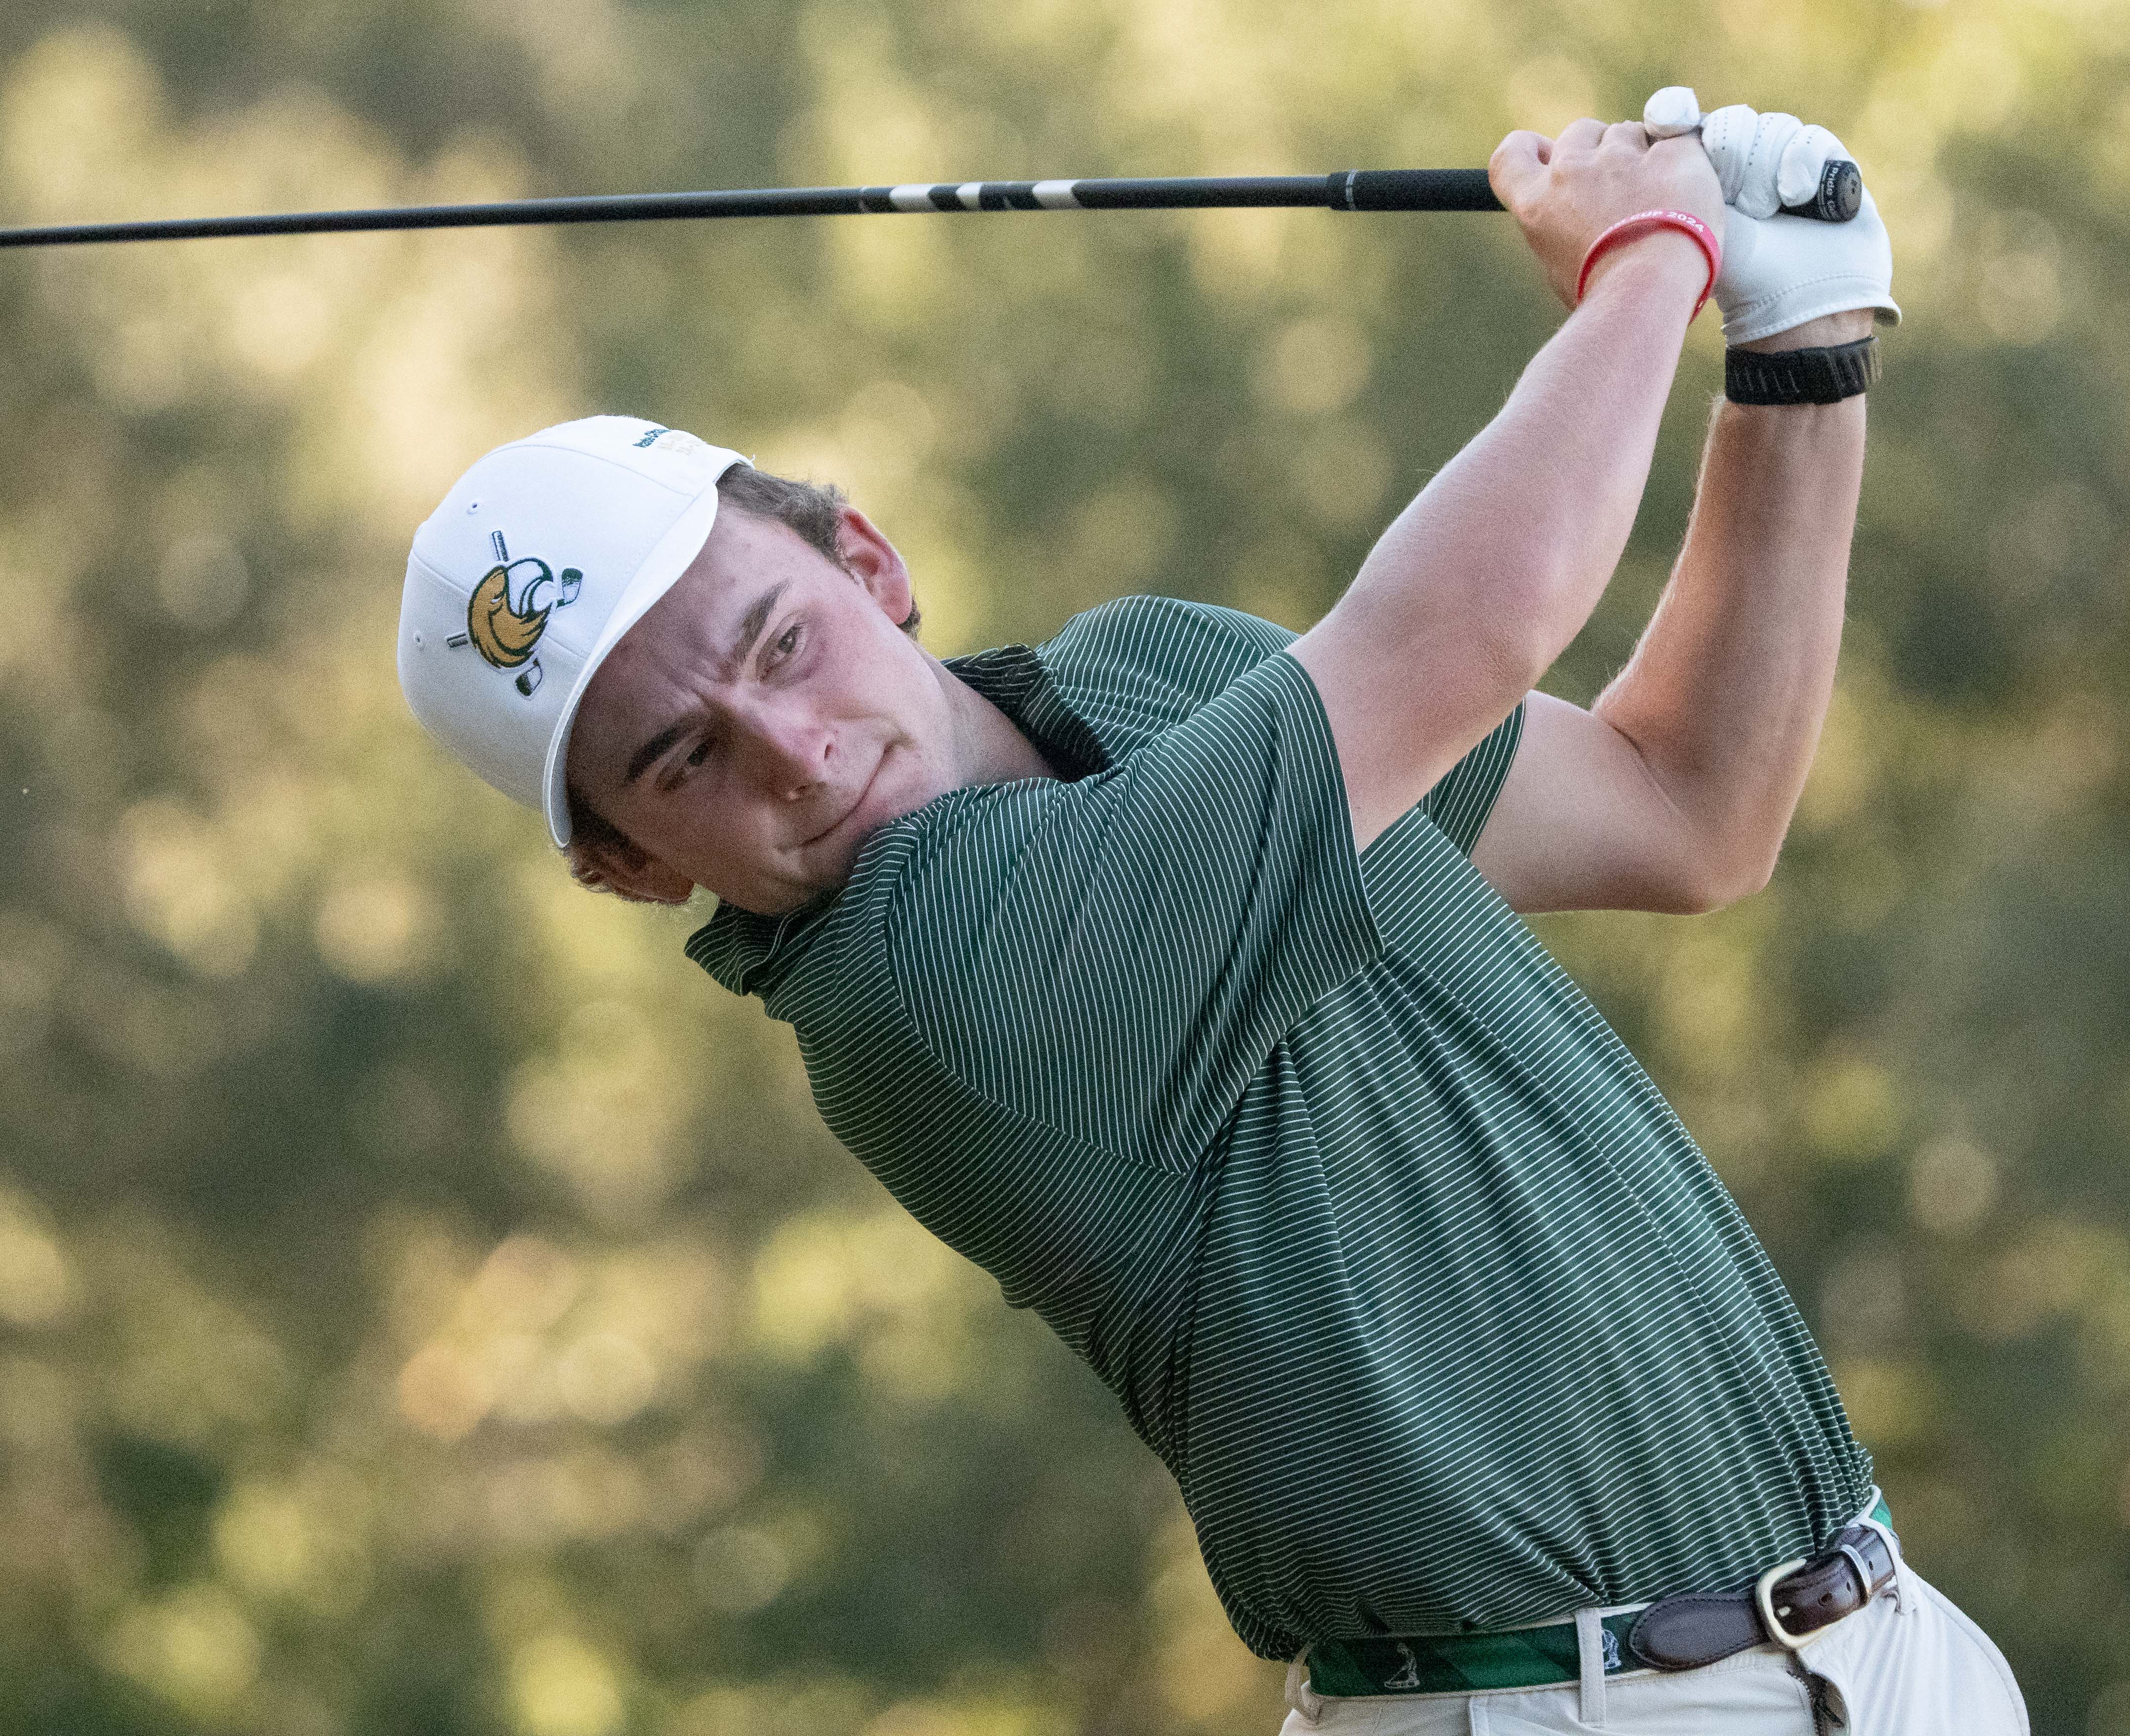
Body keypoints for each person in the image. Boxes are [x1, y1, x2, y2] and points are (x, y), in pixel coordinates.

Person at [394, 91, 2027, 1734]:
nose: (796, 755)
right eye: (684, 762)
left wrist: (1795, 347)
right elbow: (1463, 636)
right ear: (627, 867)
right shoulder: (922, 981)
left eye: (777, 646)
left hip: (1882, 1645)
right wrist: (1648, 257)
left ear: (869, 560)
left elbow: (1685, 810)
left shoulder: (1156, 667)